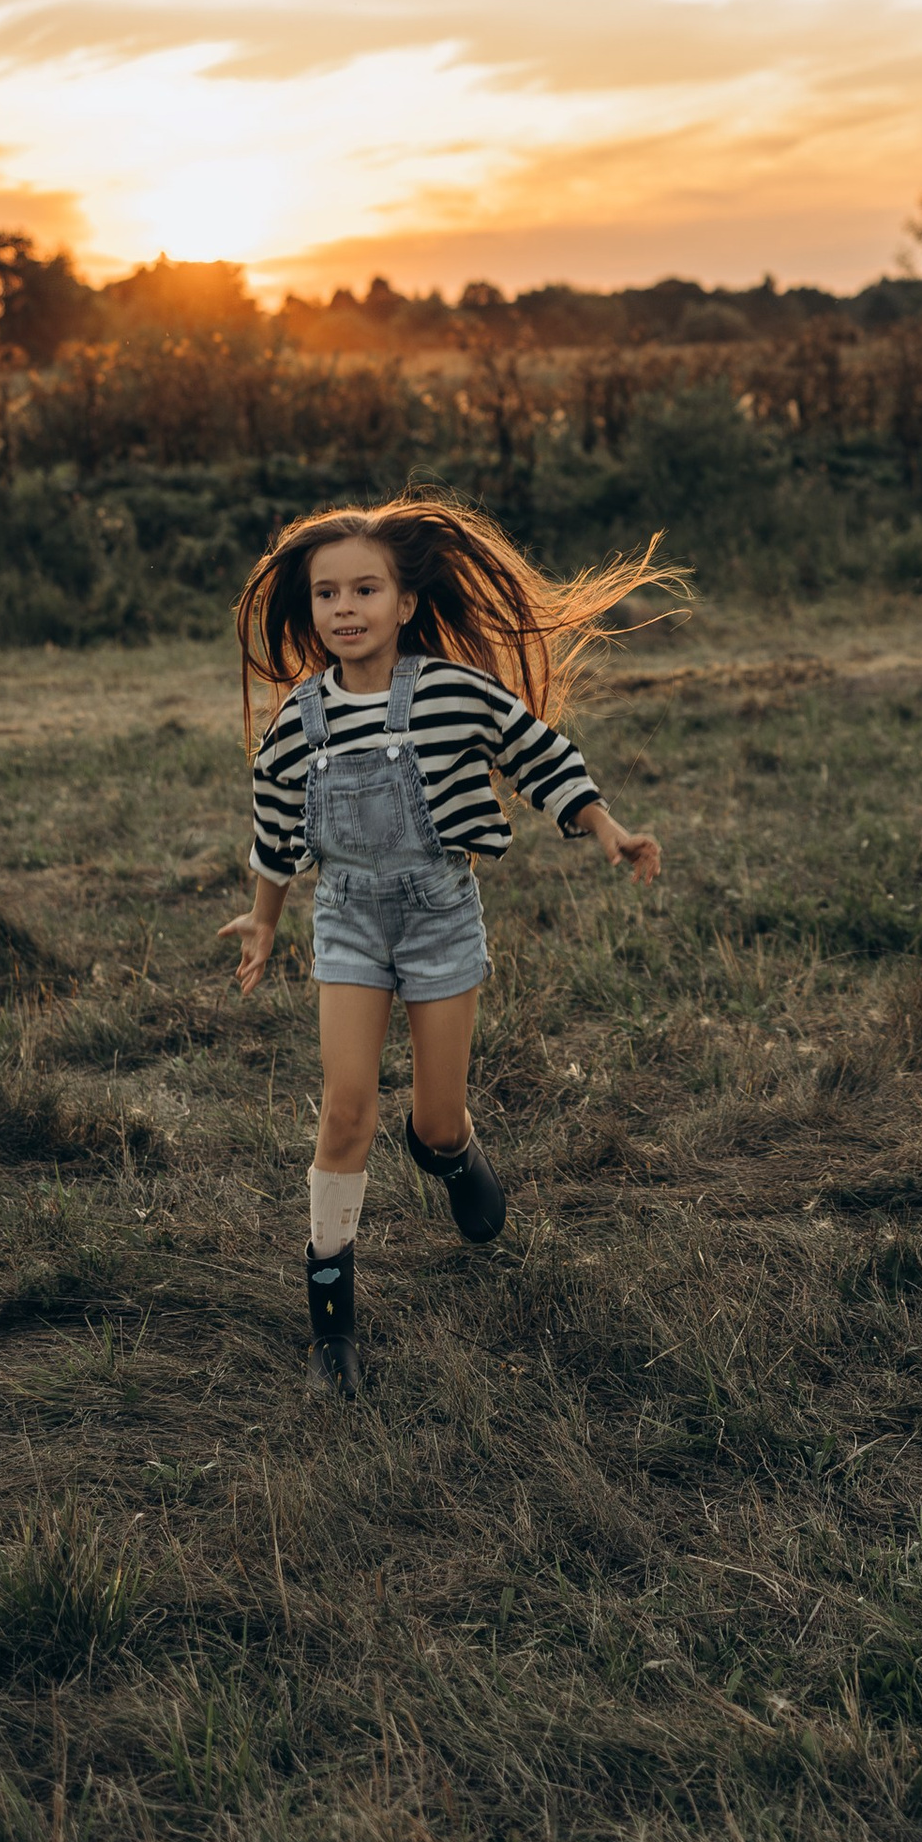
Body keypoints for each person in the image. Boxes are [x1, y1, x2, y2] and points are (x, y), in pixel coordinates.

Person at [218, 495, 664, 1396]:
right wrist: (264, 918)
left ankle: (456, 1153)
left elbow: (540, 755)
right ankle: (332, 1327)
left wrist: (606, 829)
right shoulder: (297, 721)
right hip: (346, 917)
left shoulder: (454, 693)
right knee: (346, 1113)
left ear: (406, 603)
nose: (345, 610)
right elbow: (273, 827)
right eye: (327, 595)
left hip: (438, 915)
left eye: (365, 590)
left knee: (430, 1119)